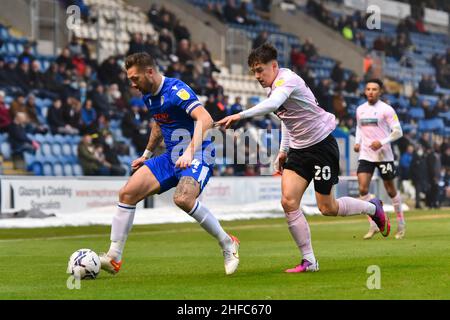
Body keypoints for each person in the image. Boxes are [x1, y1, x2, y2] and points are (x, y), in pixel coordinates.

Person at [217, 43, 389, 273]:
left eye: (260, 70)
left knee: (327, 208)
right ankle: (309, 261)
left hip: (321, 147)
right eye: (254, 71)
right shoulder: (272, 87)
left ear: (274, 66)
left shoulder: (288, 80)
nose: (257, 76)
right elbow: (288, 120)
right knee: (288, 201)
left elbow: (274, 106)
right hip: (298, 151)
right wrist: (283, 150)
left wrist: (240, 114)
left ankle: (372, 208)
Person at [100, 52, 239, 276]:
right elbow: (158, 123)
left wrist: (189, 152)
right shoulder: (148, 94)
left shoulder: (176, 90)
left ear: (150, 72)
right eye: (130, 79)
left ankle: (228, 243)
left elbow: (205, 119)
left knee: (183, 199)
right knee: (127, 193)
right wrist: (146, 154)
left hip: (199, 151)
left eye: (135, 78)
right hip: (170, 155)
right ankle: (114, 258)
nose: (133, 84)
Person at [354, 79, 405, 240]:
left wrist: (382, 142)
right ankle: (374, 224)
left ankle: (401, 224)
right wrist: (357, 142)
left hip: (384, 155)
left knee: (391, 190)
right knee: (362, 189)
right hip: (366, 154)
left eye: (374, 89)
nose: (370, 92)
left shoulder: (386, 109)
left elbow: (398, 132)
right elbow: (359, 127)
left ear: (380, 91)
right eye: (368, 89)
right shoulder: (360, 109)